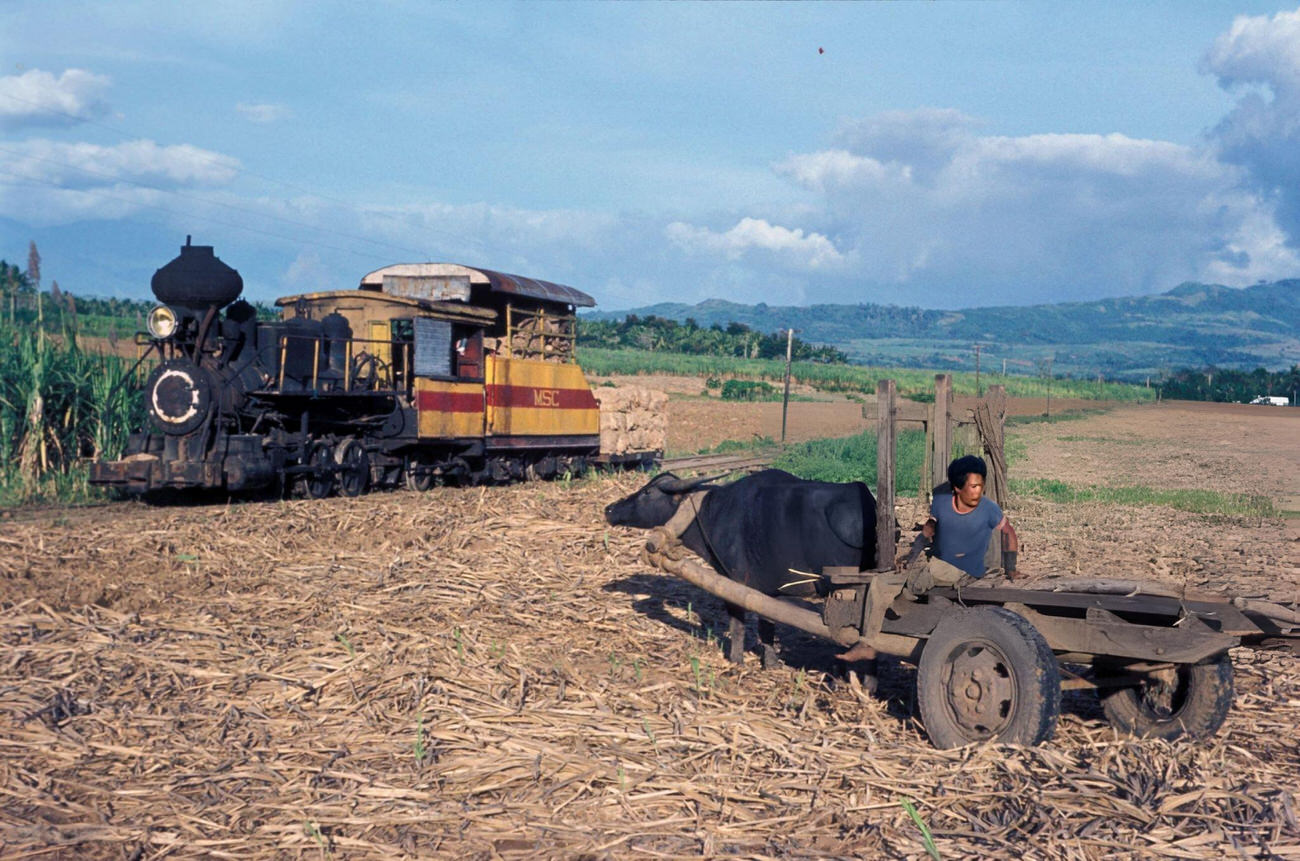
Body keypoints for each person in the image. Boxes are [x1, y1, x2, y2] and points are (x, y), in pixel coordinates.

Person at [919, 454, 1020, 587]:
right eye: (973, 487)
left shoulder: (989, 509)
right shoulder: (943, 504)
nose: (978, 491)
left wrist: (1011, 568)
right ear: (957, 488)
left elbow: (1009, 533)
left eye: (980, 486)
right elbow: (930, 528)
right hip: (945, 564)